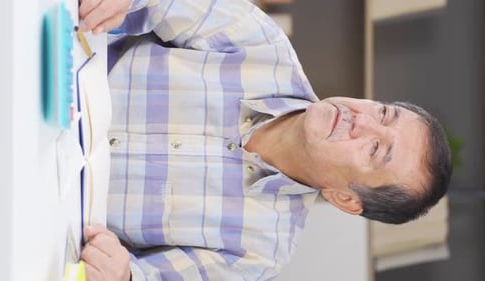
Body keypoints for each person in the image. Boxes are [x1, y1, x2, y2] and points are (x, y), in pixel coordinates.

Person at [78, 0, 453, 280]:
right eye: (384, 112)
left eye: (375, 149)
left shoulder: (259, 253)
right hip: (44, 77)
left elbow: (144, 278)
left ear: (346, 199)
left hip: (50, 216)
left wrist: (121, 273)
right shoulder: (261, 44)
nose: (362, 121)